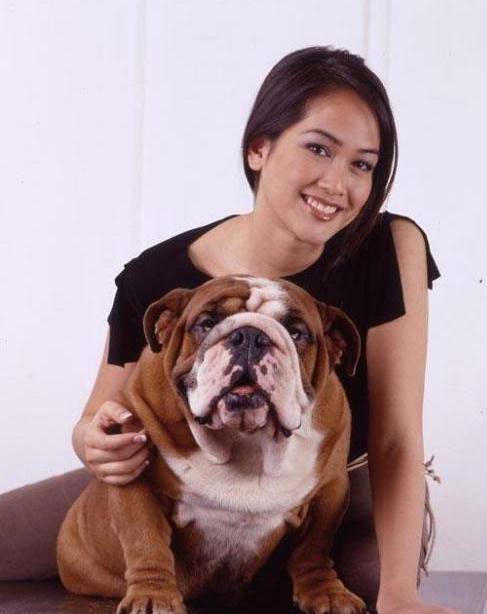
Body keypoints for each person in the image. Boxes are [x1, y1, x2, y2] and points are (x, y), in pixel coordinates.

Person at [0, 46, 458, 614]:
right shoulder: (155, 275)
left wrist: (400, 595)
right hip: (183, 479)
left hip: (328, 491)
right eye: (318, 148)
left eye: (362, 165)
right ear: (258, 148)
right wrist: (96, 442)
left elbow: (394, 437)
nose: (337, 183)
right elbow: (96, 419)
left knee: (365, 581)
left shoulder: (389, 245)